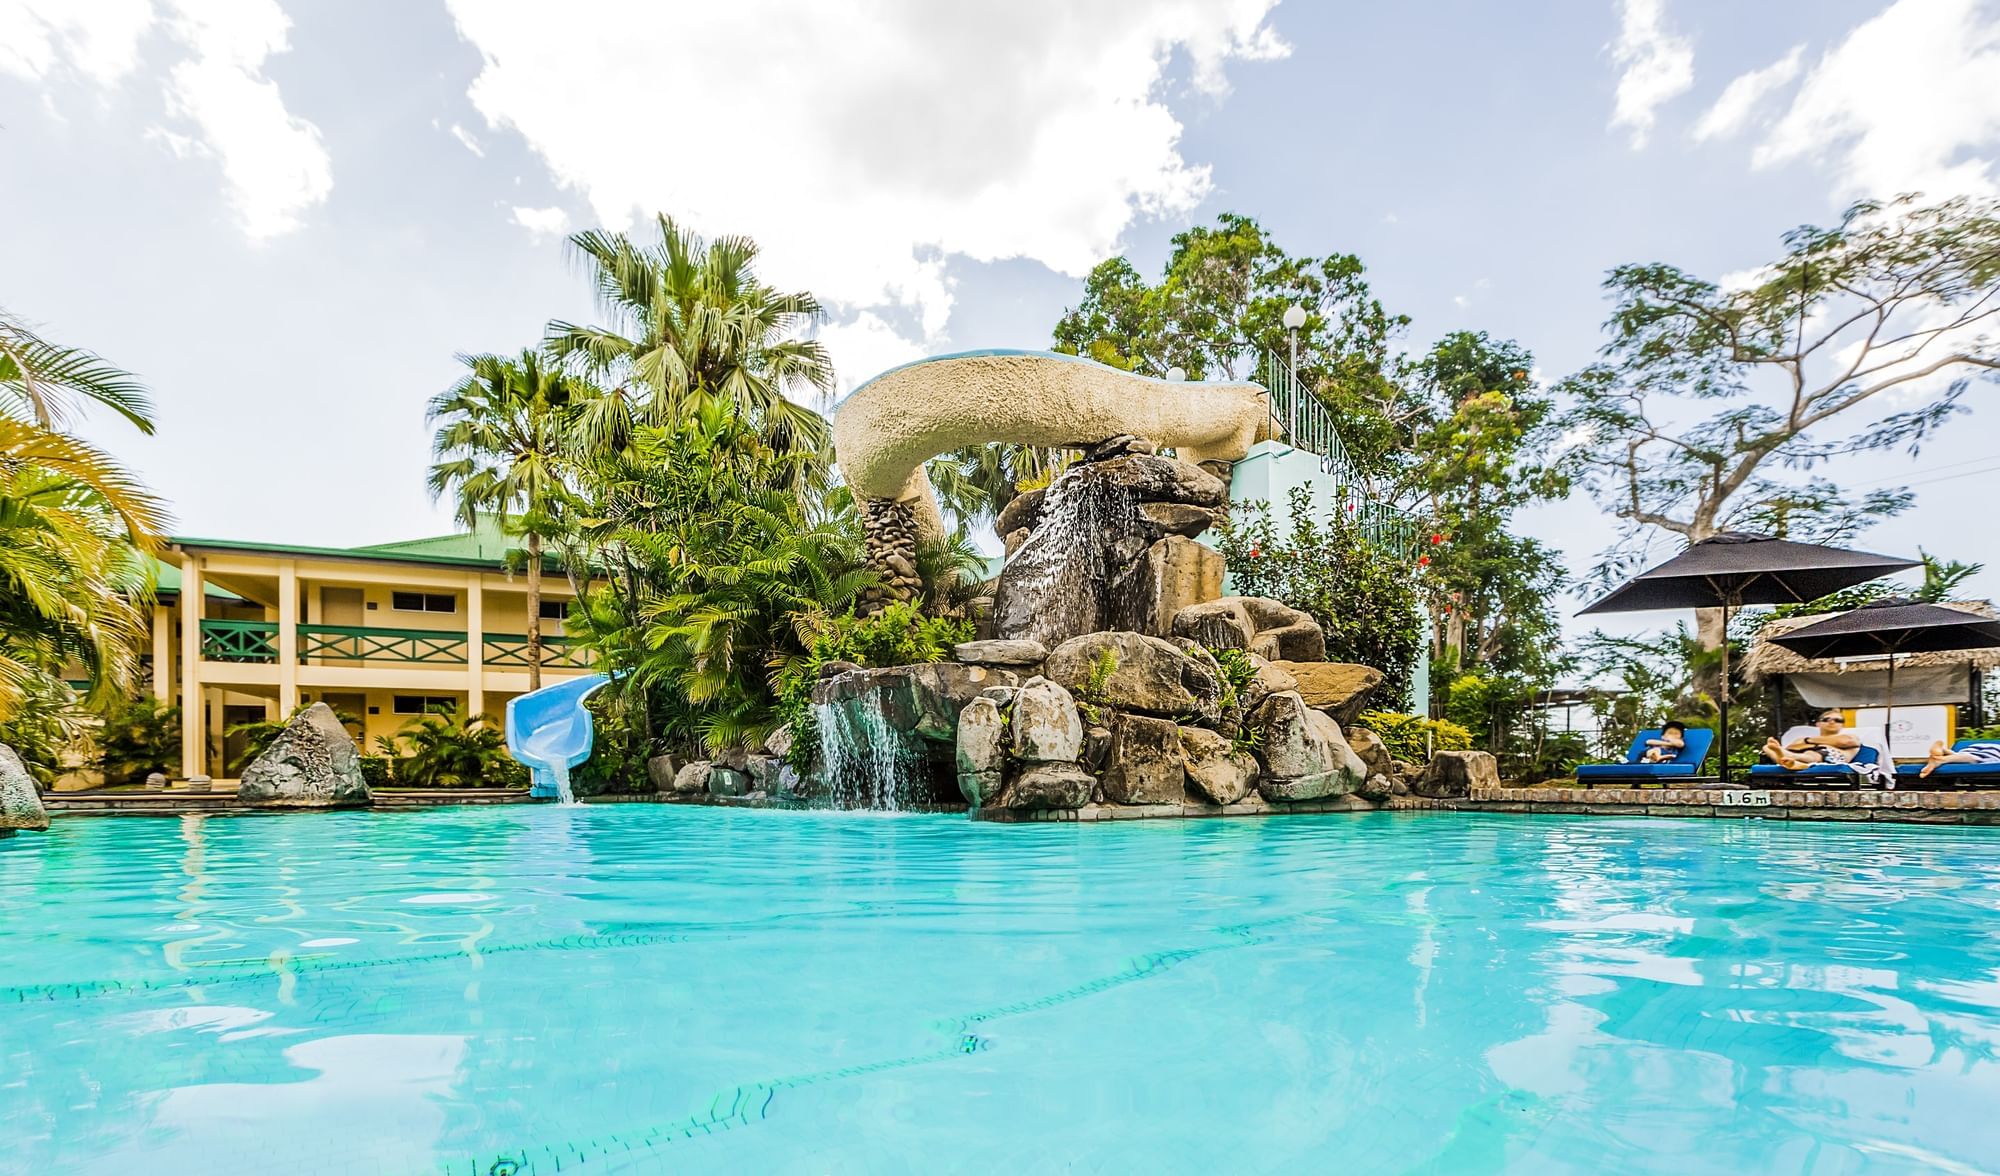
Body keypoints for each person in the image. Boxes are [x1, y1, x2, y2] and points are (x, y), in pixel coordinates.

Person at [1761, 711, 1861, 771]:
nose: (1832, 722)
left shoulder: (1850, 736)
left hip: (1830, 757)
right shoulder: (1802, 739)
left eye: (1838, 720)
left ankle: (1790, 759)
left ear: (1842, 725)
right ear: (1818, 724)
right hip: (1801, 757)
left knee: (1812, 752)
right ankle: (1792, 763)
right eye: (1827, 719)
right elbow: (1792, 748)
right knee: (1766, 747)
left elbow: (1846, 742)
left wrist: (1807, 741)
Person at [1919, 739, 2000, 778]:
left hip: (1977, 747)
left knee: (1963, 755)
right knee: (1980, 758)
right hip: (1994, 751)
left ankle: (1944, 751)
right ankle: (1942, 759)